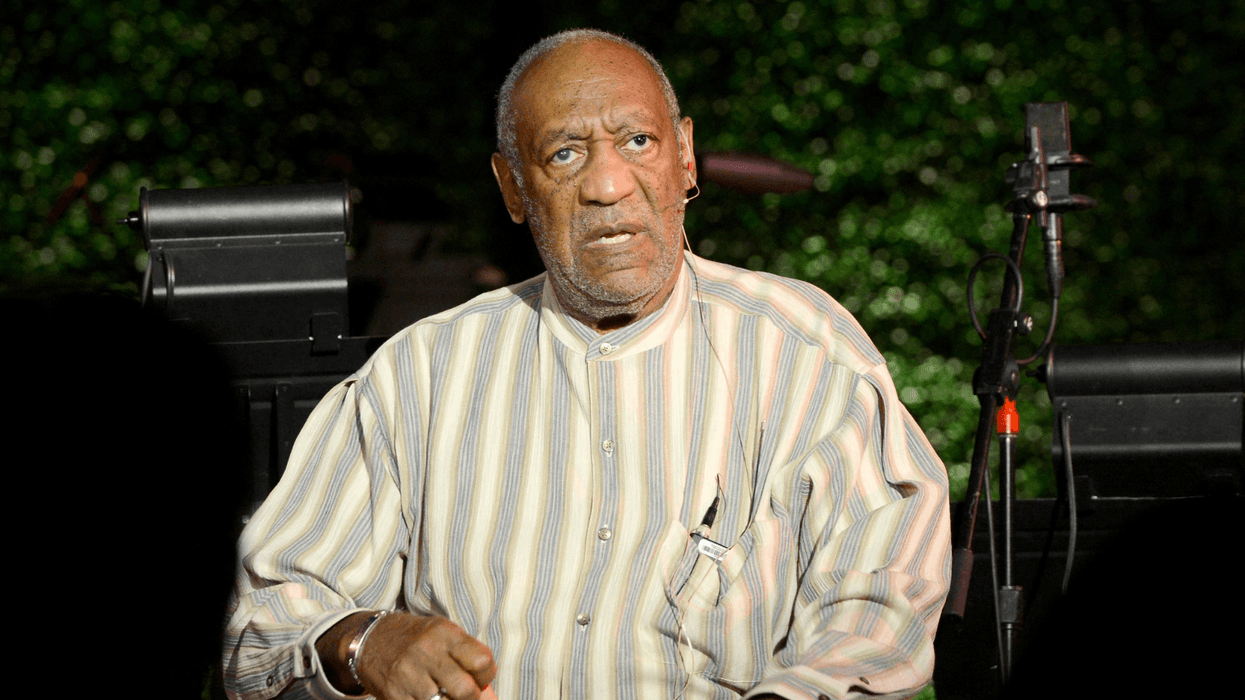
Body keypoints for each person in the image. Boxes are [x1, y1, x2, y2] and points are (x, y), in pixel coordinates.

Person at [223, 29, 950, 700]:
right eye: (564, 153)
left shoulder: (805, 353)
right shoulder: (419, 375)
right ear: (512, 187)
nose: (607, 185)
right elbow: (260, 626)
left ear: (686, 156)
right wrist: (360, 642)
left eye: (636, 140)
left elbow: (877, 618)